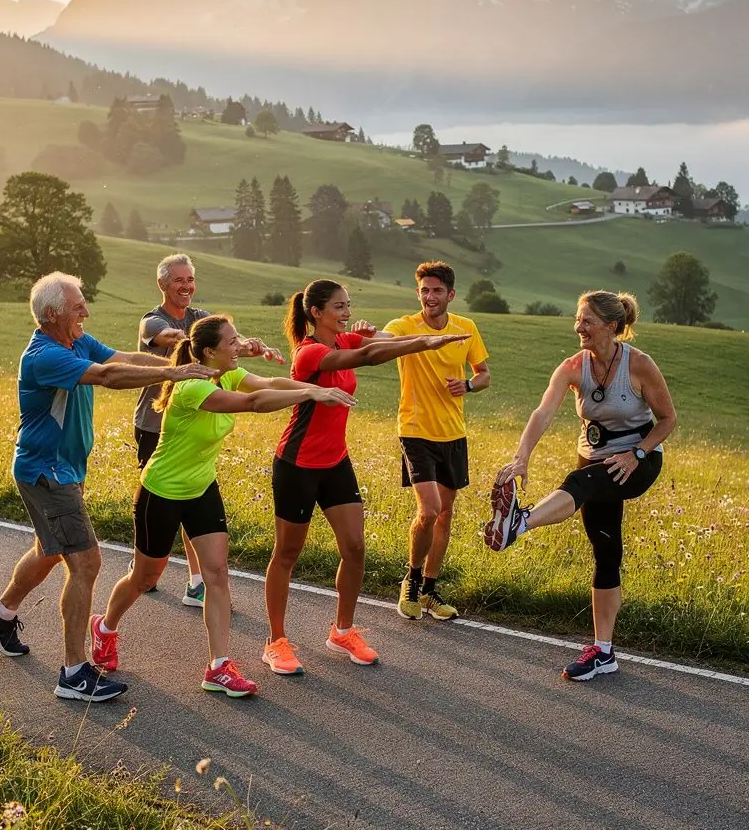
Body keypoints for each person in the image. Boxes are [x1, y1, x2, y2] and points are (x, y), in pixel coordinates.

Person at [0, 271, 216, 703]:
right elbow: (108, 376)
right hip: (49, 474)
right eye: (77, 305)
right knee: (85, 563)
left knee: (51, 550)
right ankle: (73, 673)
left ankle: (1, 611)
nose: (86, 310)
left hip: (62, 470)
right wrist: (176, 375)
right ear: (52, 315)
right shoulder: (45, 356)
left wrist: (179, 367)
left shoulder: (76, 340)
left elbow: (124, 357)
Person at [90, 315, 355, 698]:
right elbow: (254, 402)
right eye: (232, 342)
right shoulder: (191, 388)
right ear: (210, 351)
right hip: (162, 491)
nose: (240, 346)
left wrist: (307, 386)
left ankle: (218, 667)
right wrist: (310, 394)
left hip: (201, 488)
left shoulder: (226, 373)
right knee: (146, 577)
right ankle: (106, 627)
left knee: (217, 574)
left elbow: (267, 384)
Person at [262, 279, 469, 675]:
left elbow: (378, 345)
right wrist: (422, 343)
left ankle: (342, 630)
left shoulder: (343, 341)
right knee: (287, 554)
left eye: (348, 306)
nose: (347, 313)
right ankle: (276, 640)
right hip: (297, 464)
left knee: (355, 548)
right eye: (339, 307)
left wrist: (417, 339)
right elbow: (372, 356)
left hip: (335, 462)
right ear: (316, 313)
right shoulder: (310, 353)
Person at [485, 290, 677, 681]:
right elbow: (543, 412)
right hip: (594, 458)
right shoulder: (573, 366)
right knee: (606, 550)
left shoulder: (639, 365)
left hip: (637, 461)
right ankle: (603, 652)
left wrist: (637, 452)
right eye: (578, 319)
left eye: (587, 321)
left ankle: (518, 523)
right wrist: (522, 456)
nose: (579, 327)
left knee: (580, 482)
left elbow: (668, 419)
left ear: (611, 326)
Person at [134, 252, 282, 603]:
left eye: (190, 279)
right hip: (156, 423)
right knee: (165, 497)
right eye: (178, 280)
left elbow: (232, 342)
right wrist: (179, 338)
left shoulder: (202, 318)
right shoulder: (153, 320)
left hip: (199, 419)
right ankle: (148, 562)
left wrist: (254, 348)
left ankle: (196, 579)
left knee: (190, 497)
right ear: (162, 285)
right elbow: (159, 335)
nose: (186, 286)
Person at [380, 262, 489, 622]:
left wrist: (468, 385)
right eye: (424, 290)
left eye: (436, 291)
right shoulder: (405, 326)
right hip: (415, 430)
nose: (429, 297)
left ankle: (429, 591)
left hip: (453, 433)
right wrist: (368, 334)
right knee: (427, 511)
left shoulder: (466, 328)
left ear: (450, 295)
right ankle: (410, 581)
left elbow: (483, 374)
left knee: (445, 514)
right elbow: (383, 338)